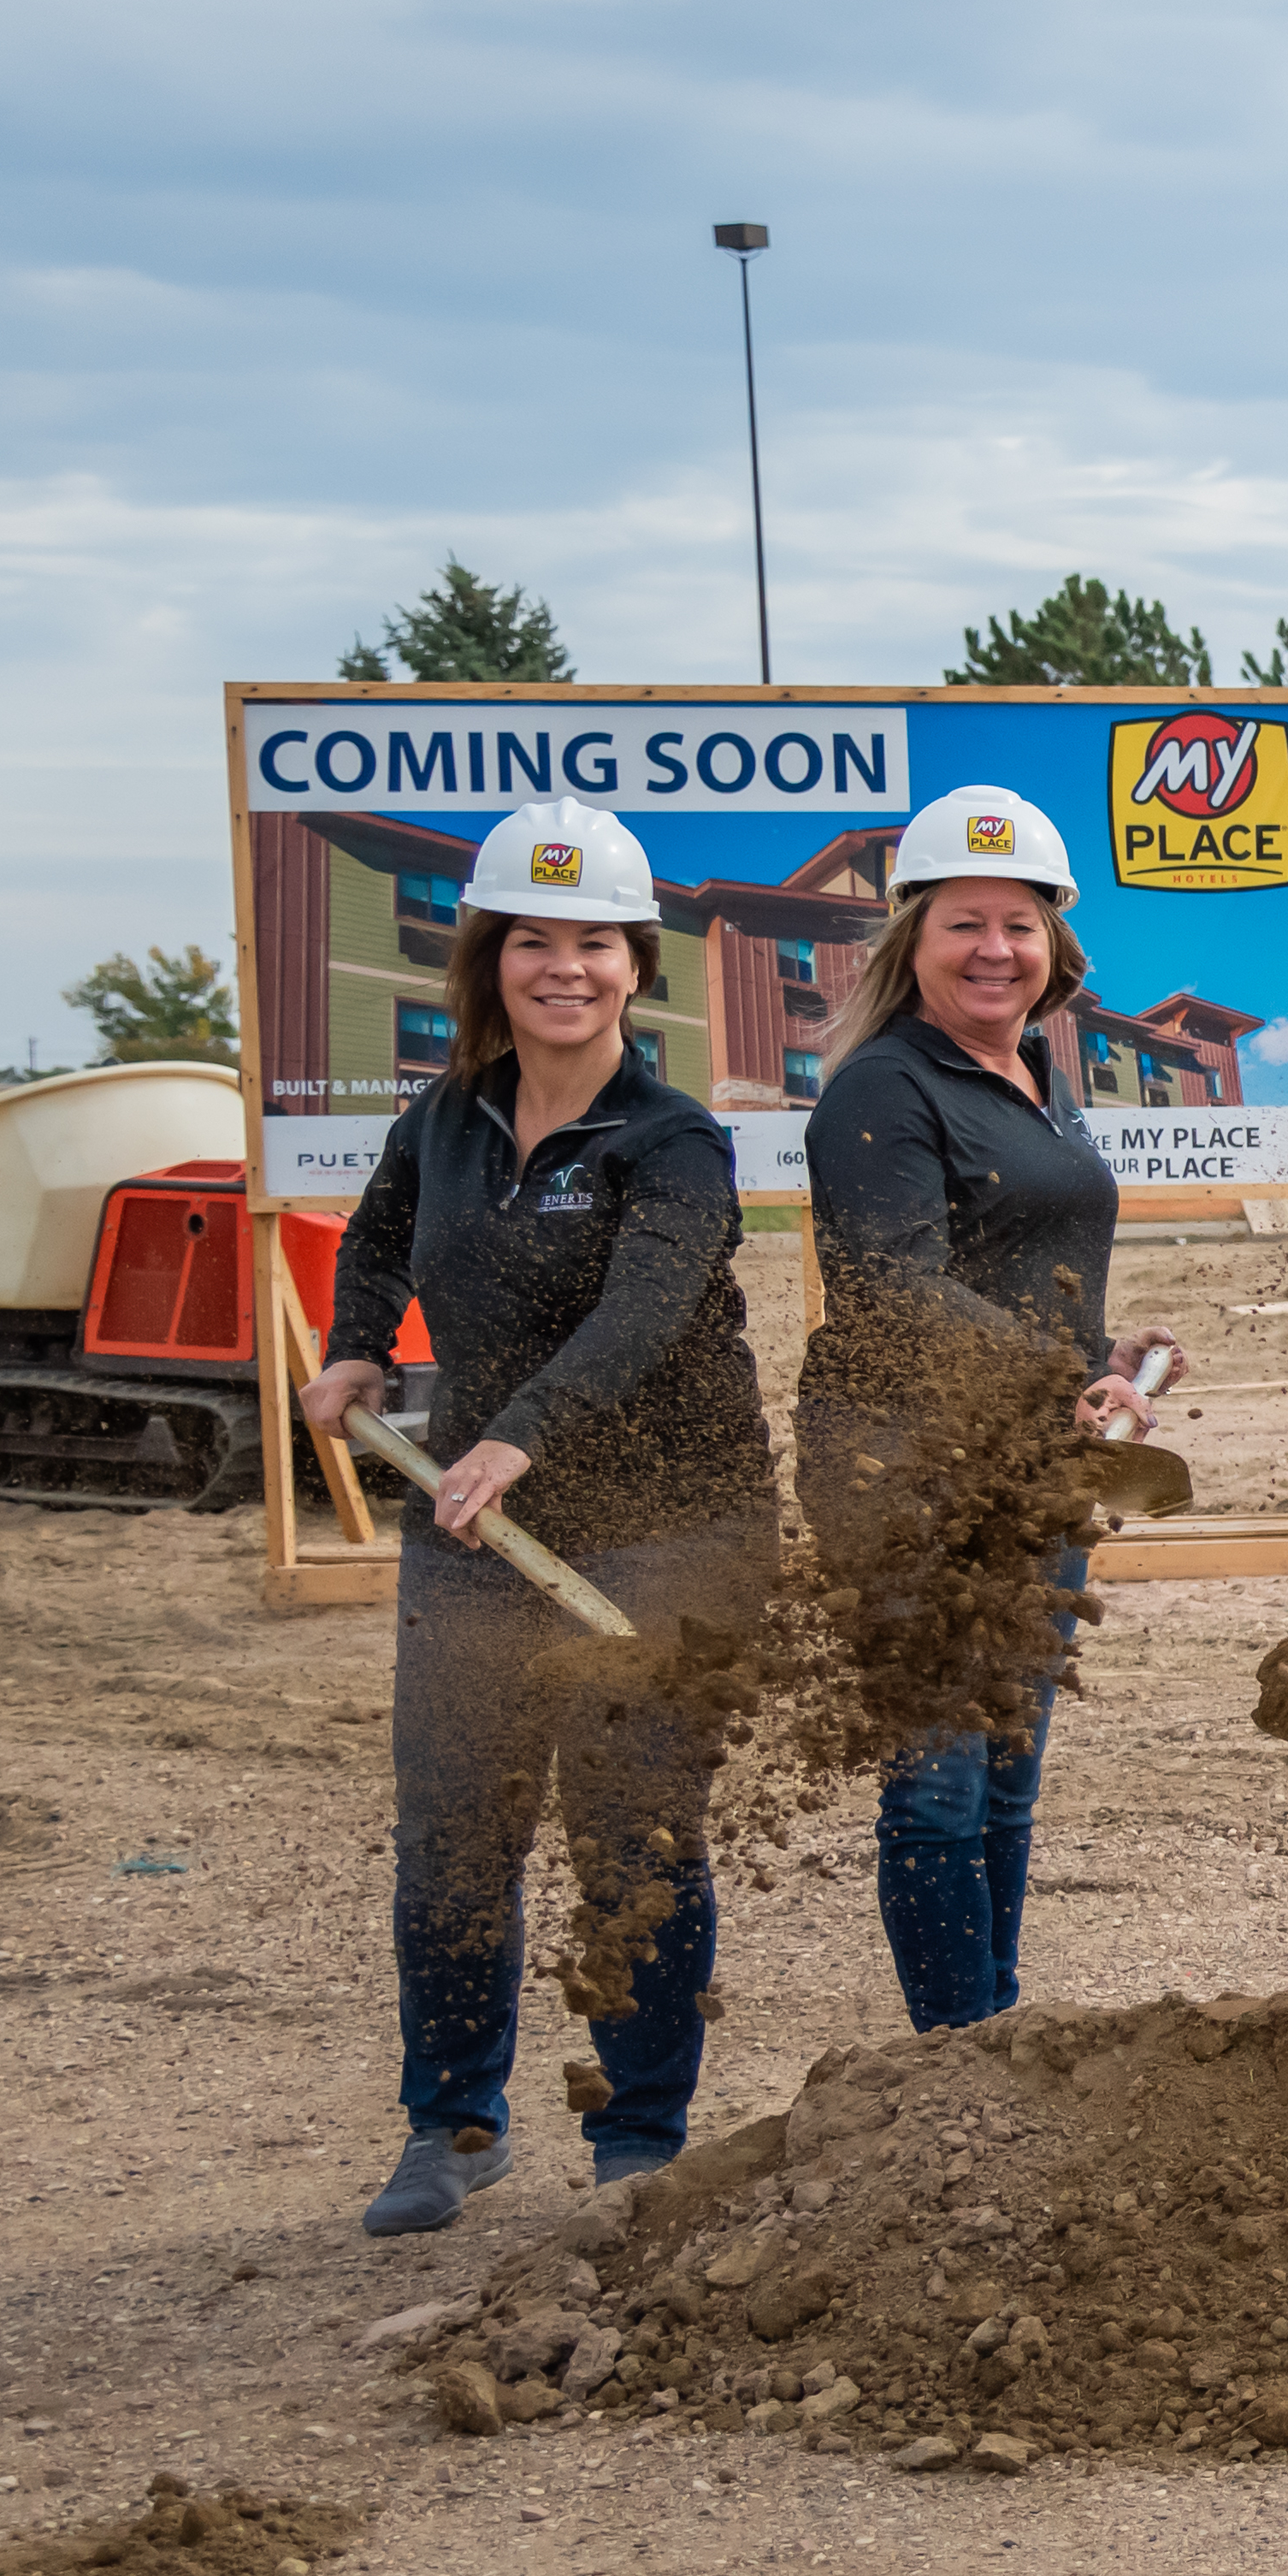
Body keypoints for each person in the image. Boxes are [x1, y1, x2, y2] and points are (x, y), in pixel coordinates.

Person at [295, 802, 777, 2232]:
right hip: (475, 1528)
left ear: (637, 965)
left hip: (672, 1526)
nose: (562, 968)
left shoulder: (674, 1138)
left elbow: (647, 1308)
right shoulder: (444, 1120)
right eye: (531, 941)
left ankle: (641, 2138)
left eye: (593, 943)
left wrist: (516, 1434)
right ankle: (450, 2125)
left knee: (631, 1828)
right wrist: (360, 1340)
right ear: (490, 959)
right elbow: (379, 1233)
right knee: (455, 1825)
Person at [797, 785, 1182, 2032]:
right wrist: (1061, 1376)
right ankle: (950, 2057)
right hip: (906, 1474)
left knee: (1008, 1778)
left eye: (1019, 924)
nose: (995, 950)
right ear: (913, 936)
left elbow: (1016, 1261)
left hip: (1033, 1468)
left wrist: (1100, 1349)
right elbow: (889, 1287)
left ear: (1052, 941)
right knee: (940, 1785)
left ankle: (999, 2037)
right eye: (966, 922)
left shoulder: (1031, 1071)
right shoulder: (882, 1090)